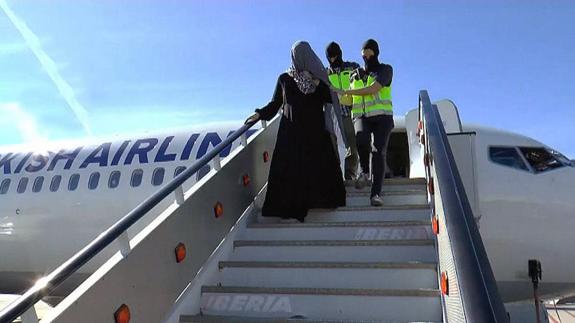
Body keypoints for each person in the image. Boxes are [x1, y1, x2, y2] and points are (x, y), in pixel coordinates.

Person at [245, 41, 346, 222]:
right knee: (291, 168)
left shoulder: (319, 80)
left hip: (314, 133)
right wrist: (259, 114)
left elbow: (330, 99)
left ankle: (316, 201)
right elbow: (276, 103)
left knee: (314, 167)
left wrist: (318, 80)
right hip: (291, 133)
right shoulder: (285, 78)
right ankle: (290, 206)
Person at [337, 39, 394, 207]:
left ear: (376, 52)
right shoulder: (355, 74)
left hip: (382, 117)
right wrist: (338, 96)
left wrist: (347, 90)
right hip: (361, 116)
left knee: (378, 151)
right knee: (361, 140)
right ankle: (364, 172)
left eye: (370, 52)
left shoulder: (385, 70)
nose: (366, 55)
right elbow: (348, 100)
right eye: (364, 53)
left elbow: (373, 89)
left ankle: (375, 193)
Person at [325, 41, 360, 181]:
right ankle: (335, 177)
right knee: (333, 148)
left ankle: (350, 175)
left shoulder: (353, 67)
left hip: (350, 114)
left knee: (352, 146)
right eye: (330, 57)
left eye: (335, 56)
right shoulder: (325, 73)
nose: (333, 60)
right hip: (333, 116)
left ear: (340, 54)